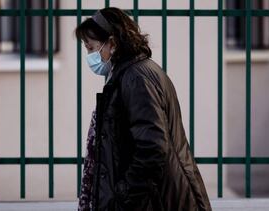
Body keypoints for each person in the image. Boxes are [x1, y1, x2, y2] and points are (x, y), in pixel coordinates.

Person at [76, 7, 211, 211]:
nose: (89, 56)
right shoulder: (131, 74)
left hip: (159, 201)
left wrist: (123, 196)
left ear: (112, 43)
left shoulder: (137, 78)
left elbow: (153, 148)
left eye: (91, 48)